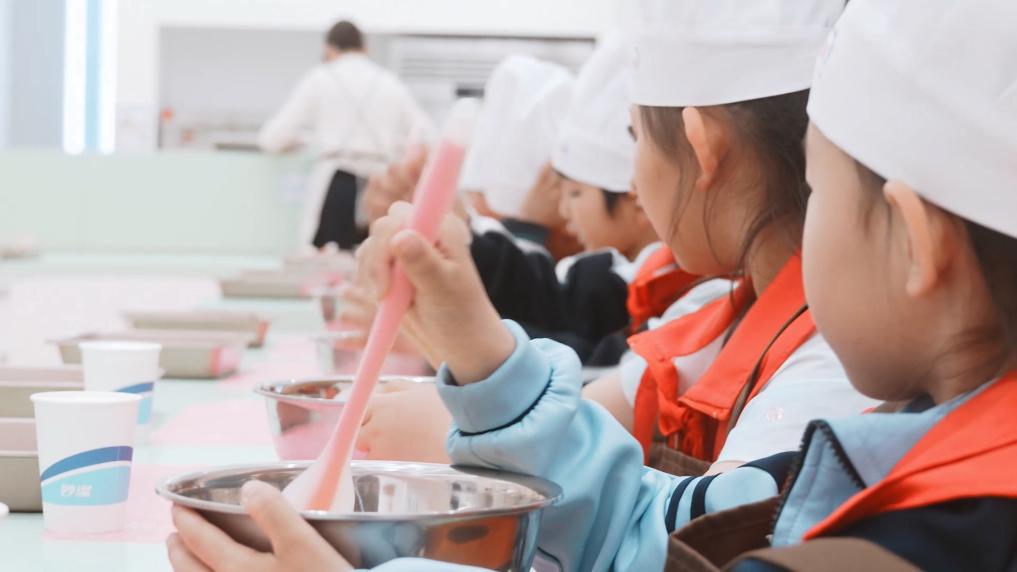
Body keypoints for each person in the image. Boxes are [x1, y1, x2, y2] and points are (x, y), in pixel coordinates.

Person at [167, 0, 1017, 570]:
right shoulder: (888, 447)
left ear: (916, 246)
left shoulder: (925, 527)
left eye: (821, 190)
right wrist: (480, 356)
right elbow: (651, 529)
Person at [258, 20, 434, 252]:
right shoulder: (389, 82)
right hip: (379, 184)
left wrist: (302, 142)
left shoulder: (320, 78)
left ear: (328, 49)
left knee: (327, 262)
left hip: (336, 183)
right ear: (365, 47)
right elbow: (427, 136)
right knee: (379, 256)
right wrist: (397, 149)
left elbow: (272, 139)